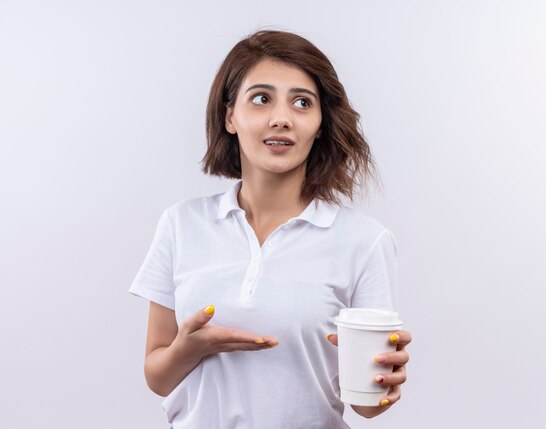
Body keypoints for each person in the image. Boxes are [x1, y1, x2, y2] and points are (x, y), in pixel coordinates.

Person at [129, 29, 412, 428]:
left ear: (319, 123)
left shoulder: (364, 241)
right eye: (261, 99)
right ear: (230, 116)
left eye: (302, 102)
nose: (281, 119)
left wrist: (384, 382)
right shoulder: (181, 224)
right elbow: (157, 376)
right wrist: (189, 349)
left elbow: (367, 404)